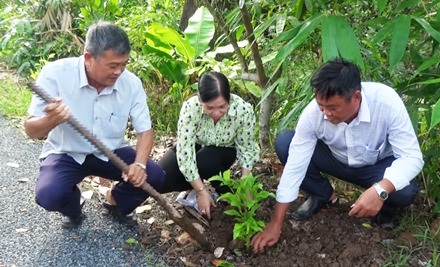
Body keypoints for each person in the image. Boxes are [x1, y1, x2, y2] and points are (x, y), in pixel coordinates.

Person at [251, 58, 424, 253]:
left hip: (376, 168)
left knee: (405, 191)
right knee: (286, 143)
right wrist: (275, 223)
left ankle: (385, 210)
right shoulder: (313, 114)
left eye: (333, 108)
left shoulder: (386, 103)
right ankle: (321, 193)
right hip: (335, 161)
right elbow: (295, 166)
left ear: (356, 97)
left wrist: (380, 190)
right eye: (321, 106)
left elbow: (412, 157)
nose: (326, 114)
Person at [25, 21, 166, 229]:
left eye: (124, 64)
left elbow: (145, 130)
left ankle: (116, 201)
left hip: (112, 152)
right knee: (49, 194)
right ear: (89, 58)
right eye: (113, 65)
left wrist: (140, 165)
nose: (119, 71)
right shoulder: (55, 74)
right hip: (67, 153)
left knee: (154, 176)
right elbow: (30, 130)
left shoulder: (131, 84)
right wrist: (51, 120)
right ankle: (74, 207)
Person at [157, 71, 260, 219]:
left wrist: (245, 186)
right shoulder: (191, 108)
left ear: (229, 100)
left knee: (205, 159)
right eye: (210, 108)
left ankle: (229, 194)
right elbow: (185, 151)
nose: (217, 113)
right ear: (200, 100)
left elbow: (247, 149)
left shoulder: (242, 110)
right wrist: (201, 191)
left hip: (222, 153)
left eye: (222, 107)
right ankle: (193, 187)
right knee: (159, 179)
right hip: (196, 147)